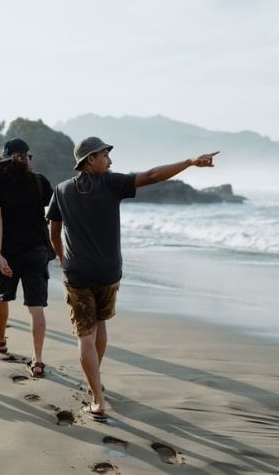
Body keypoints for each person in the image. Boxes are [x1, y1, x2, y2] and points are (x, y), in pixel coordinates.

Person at [46, 136, 218, 421]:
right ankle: (95, 384)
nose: (110, 161)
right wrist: (189, 162)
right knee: (100, 324)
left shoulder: (62, 190)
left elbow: (53, 231)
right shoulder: (111, 183)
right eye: (105, 156)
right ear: (90, 159)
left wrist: (62, 257)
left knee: (85, 335)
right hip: (108, 272)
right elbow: (151, 176)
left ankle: (97, 400)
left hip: (77, 273)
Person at [0, 138, 54, 377]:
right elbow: (56, 211)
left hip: (9, 252)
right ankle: (37, 360)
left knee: (3, 297)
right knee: (36, 307)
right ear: (25, 158)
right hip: (37, 250)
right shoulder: (39, 181)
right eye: (29, 157)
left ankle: (1, 340)